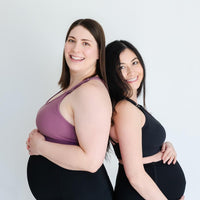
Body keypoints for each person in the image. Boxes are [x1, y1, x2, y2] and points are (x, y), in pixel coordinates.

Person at [26, 18, 113, 200]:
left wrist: (40, 146)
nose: (75, 49)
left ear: (99, 53)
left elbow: (91, 161)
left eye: (86, 43)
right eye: (71, 40)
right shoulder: (75, 88)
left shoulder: (91, 92)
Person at [105, 40, 186, 200]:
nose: (131, 71)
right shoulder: (125, 109)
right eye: (121, 67)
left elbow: (141, 146)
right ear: (111, 73)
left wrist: (164, 146)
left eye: (134, 62)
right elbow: (135, 175)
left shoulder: (132, 107)